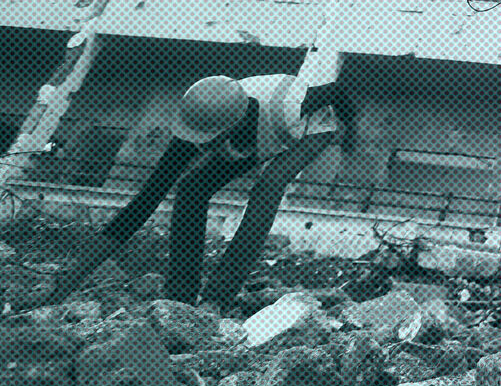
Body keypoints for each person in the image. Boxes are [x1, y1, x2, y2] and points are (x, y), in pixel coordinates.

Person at [10, 73, 357, 312]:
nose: (200, 146)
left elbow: (340, 91)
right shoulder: (197, 124)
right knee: (191, 188)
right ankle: (181, 296)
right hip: (257, 135)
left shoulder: (294, 103)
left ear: (232, 125)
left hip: (312, 128)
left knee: (268, 186)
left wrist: (350, 136)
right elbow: (144, 202)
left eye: (210, 139)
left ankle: (218, 296)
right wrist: (69, 280)